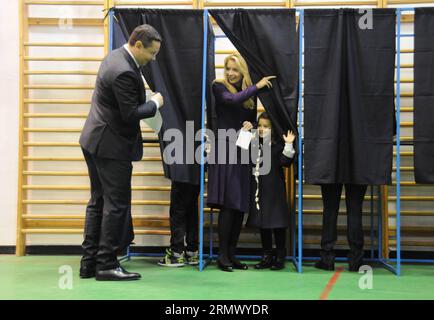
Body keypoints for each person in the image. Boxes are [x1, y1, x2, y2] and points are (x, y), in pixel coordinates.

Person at [79, 24, 164, 281]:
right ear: (138, 45)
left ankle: (89, 263)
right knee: (115, 206)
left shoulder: (114, 56)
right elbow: (130, 114)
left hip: (95, 140)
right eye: (151, 52)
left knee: (98, 202)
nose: (153, 58)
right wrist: (154, 103)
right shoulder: (124, 71)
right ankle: (106, 265)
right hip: (111, 146)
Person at [207, 52, 275, 272]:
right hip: (225, 151)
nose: (231, 73)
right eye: (228, 68)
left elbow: (246, 121)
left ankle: (232, 254)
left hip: (241, 151)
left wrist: (249, 128)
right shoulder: (219, 86)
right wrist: (258, 86)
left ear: (242, 71)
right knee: (228, 205)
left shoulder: (247, 96)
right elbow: (229, 101)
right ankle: (222, 256)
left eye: (235, 69)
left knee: (238, 206)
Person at [246, 112, 296, 270]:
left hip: (274, 190)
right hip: (259, 189)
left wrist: (288, 144)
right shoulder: (254, 143)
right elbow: (239, 151)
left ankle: (280, 255)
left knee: (278, 223)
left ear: (272, 129)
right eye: (259, 125)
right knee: (263, 223)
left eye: (266, 126)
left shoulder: (276, 145)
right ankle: (266, 255)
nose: (261, 129)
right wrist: (245, 132)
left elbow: (286, 162)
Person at [315, 183, 368, 272]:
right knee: (355, 208)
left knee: (330, 208)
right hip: (358, 170)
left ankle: (327, 259)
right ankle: (356, 260)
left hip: (331, 169)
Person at [158, 182, 200, 267]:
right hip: (196, 174)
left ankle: (176, 254)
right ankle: (192, 253)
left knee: (178, 210)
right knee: (192, 210)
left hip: (180, 174)